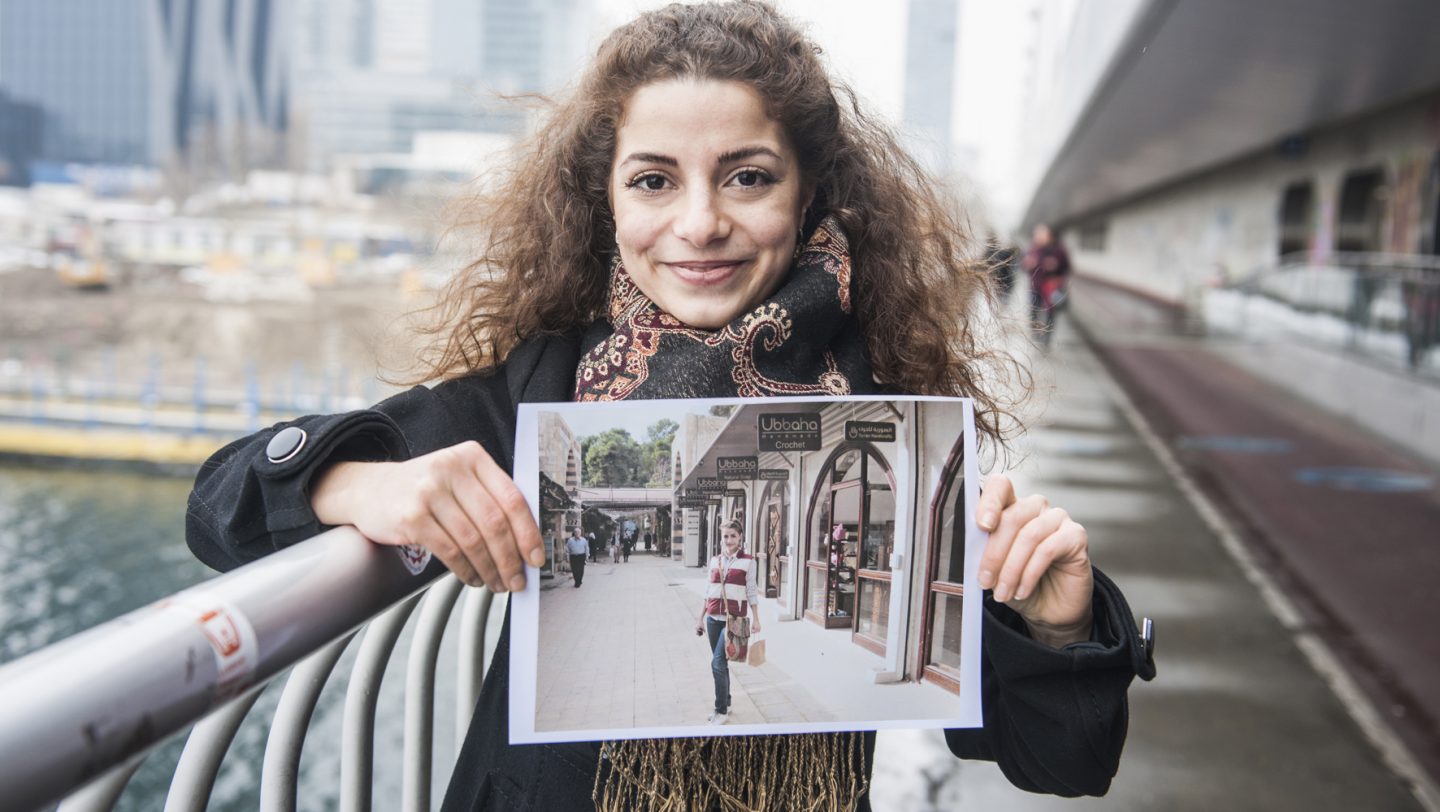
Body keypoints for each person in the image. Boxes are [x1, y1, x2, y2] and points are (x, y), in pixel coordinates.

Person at [185, 4, 1154, 810]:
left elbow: (1062, 760)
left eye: (748, 175)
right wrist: (367, 483)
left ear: (809, 189)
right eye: (654, 178)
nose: (699, 222)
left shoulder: (889, 429)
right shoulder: (542, 389)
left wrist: (1058, 622)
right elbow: (220, 503)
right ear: (604, 198)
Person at [693, 519, 760, 725]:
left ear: (740, 537)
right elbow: (708, 590)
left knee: (717, 664)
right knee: (721, 663)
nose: (729, 540)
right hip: (713, 619)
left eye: (733, 535)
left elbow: (751, 592)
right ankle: (727, 701)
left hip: (734, 620)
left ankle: (720, 710)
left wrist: (756, 619)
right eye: (725, 536)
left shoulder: (748, 561)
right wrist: (700, 618)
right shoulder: (715, 560)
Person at [1024, 223, 1072, 346]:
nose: (1038, 237)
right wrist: (1028, 264)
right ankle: (1035, 334)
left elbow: (1067, 268)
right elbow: (1023, 266)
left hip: (1051, 287)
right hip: (1035, 286)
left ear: (1049, 236)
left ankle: (1047, 338)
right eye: (1037, 234)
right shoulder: (1032, 250)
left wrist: (1056, 268)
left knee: (1050, 313)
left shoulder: (1059, 251)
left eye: (1042, 234)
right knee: (1033, 310)